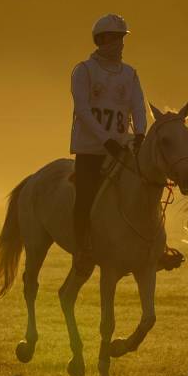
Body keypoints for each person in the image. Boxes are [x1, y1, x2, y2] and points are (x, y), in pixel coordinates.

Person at [70, 14, 149, 274]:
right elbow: (83, 110)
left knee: (146, 190)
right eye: (115, 38)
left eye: (122, 39)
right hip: (90, 149)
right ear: (101, 40)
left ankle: (152, 246)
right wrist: (106, 141)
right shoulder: (84, 71)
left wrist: (140, 134)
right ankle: (82, 247)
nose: (120, 44)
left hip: (123, 147)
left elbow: (138, 106)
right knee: (86, 195)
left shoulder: (130, 73)